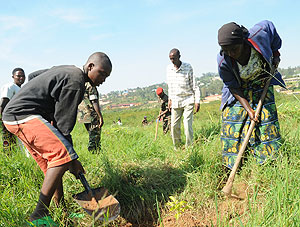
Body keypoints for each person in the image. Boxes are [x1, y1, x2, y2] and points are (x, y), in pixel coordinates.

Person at [2, 52, 112, 225]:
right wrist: (72, 160)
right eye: (103, 73)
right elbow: (63, 128)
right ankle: (38, 214)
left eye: (107, 76)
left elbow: (33, 76)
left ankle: (61, 211)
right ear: (90, 66)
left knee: (51, 164)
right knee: (61, 156)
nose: (104, 79)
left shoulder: (68, 70)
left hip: (19, 115)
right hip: (23, 115)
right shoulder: (76, 83)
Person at [217, 20, 285, 170]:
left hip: (261, 82)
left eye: (234, 49)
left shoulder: (258, 35)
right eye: (225, 50)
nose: (231, 54)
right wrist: (248, 109)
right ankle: (234, 165)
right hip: (238, 89)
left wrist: (275, 53)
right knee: (232, 123)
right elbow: (232, 86)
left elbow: (270, 26)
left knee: (266, 120)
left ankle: (268, 162)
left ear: (242, 41)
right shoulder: (223, 61)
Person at [166, 48, 200, 148]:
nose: (172, 61)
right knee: (174, 126)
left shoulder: (188, 67)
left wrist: (197, 101)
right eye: (170, 59)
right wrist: (170, 99)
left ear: (179, 57)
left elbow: (194, 85)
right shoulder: (169, 68)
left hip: (188, 99)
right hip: (176, 101)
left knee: (187, 125)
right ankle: (177, 147)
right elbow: (170, 85)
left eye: (174, 59)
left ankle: (189, 147)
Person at [0, 68, 25, 152]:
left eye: (23, 76)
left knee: (16, 143)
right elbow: (3, 102)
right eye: (18, 76)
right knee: (7, 143)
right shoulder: (10, 86)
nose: (21, 78)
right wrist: (1, 119)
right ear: (13, 77)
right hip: (8, 119)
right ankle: (8, 161)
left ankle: (15, 159)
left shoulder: (21, 89)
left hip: (17, 120)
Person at [77, 82, 103, 153]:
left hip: (82, 114)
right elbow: (94, 101)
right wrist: (100, 115)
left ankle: (94, 151)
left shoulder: (81, 83)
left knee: (91, 134)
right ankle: (94, 153)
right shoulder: (91, 85)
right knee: (95, 136)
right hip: (91, 113)